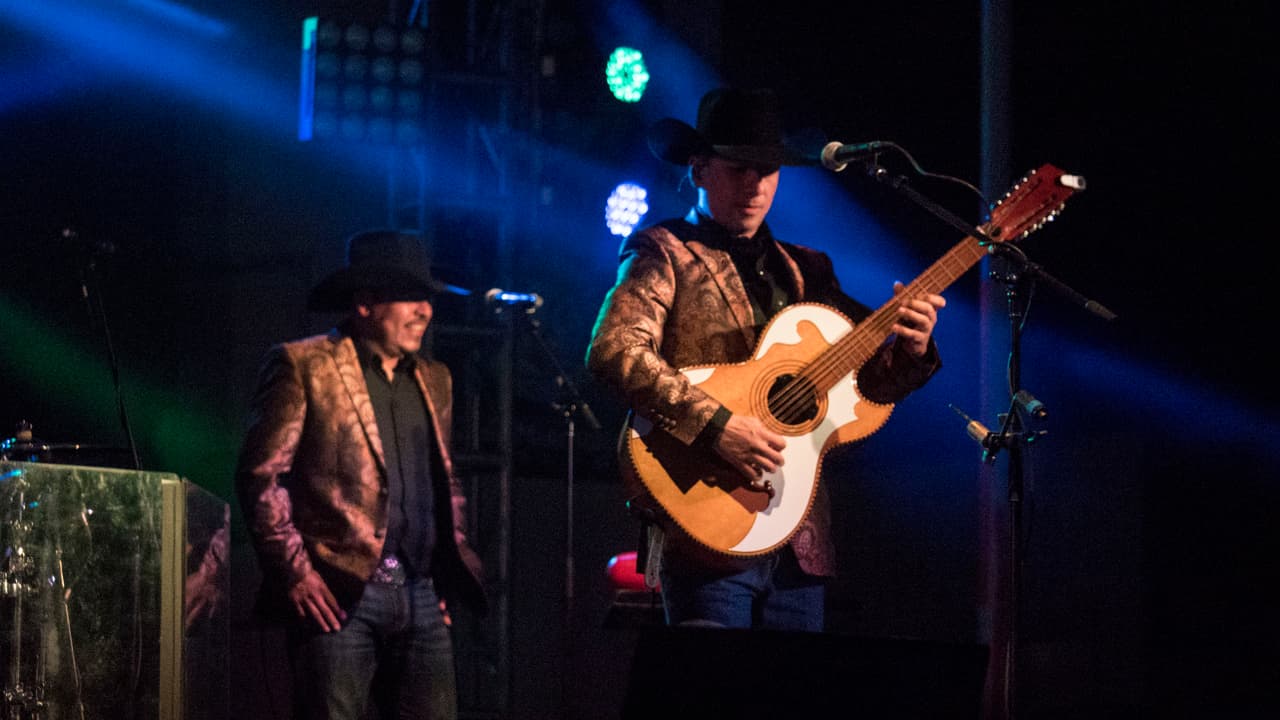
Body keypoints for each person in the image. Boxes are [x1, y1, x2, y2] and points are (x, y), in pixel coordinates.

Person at [585, 87, 946, 633]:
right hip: (708, 531)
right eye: (738, 169)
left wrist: (911, 352)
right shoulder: (665, 252)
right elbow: (614, 351)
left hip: (800, 543)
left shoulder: (808, 271)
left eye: (769, 171)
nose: (755, 186)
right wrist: (718, 426)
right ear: (700, 169)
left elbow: (866, 393)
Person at [235, 229, 486, 720]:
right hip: (341, 594)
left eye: (427, 299)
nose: (425, 311)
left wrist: (443, 572)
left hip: (419, 593)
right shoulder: (304, 364)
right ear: (366, 303)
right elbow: (261, 476)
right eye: (411, 298)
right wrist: (295, 573)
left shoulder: (436, 378)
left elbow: (445, 481)